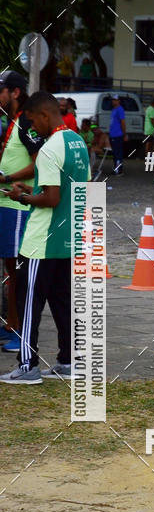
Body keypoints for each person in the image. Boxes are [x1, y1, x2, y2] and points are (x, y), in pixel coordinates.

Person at [0, 92, 90, 384]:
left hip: (42, 240)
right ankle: (68, 361)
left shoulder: (50, 148)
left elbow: (51, 199)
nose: (33, 128)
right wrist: (30, 189)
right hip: (68, 237)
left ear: (44, 114)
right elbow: (71, 190)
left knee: (29, 303)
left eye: (33, 121)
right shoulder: (78, 143)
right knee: (62, 302)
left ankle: (27, 366)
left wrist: (23, 197)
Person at [0, 71, 44, 352]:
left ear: (15, 92)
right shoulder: (12, 120)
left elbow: (39, 162)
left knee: (18, 271)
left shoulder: (27, 120)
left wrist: (6, 178)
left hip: (17, 206)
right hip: (6, 205)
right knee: (10, 269)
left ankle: (20, 331)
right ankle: (10, 324)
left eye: (0, 90)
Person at [109, 93, 127, 175]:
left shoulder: (120, 109)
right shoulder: (113, 109)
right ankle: (116, 168)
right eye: (113, 100)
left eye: (115, 100)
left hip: (117, 135)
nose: (113, 101)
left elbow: (123, 122)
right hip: (113, 134)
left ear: (119, 101)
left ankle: (119, 170)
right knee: (115, 153)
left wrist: (124, 134)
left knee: (118, 154)